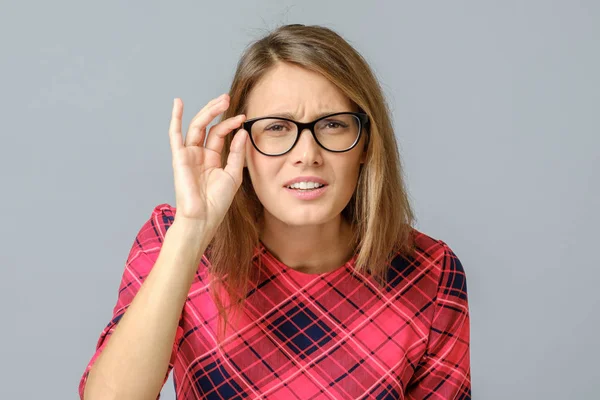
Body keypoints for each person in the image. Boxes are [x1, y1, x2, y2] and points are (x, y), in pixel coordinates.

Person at [79, 24, 471, 400]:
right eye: (278, 127)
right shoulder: (171, 238)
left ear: (366, 143)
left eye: (333, 124)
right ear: (241, 145)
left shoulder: (430, 273)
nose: (307, 155)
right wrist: (191, 232)